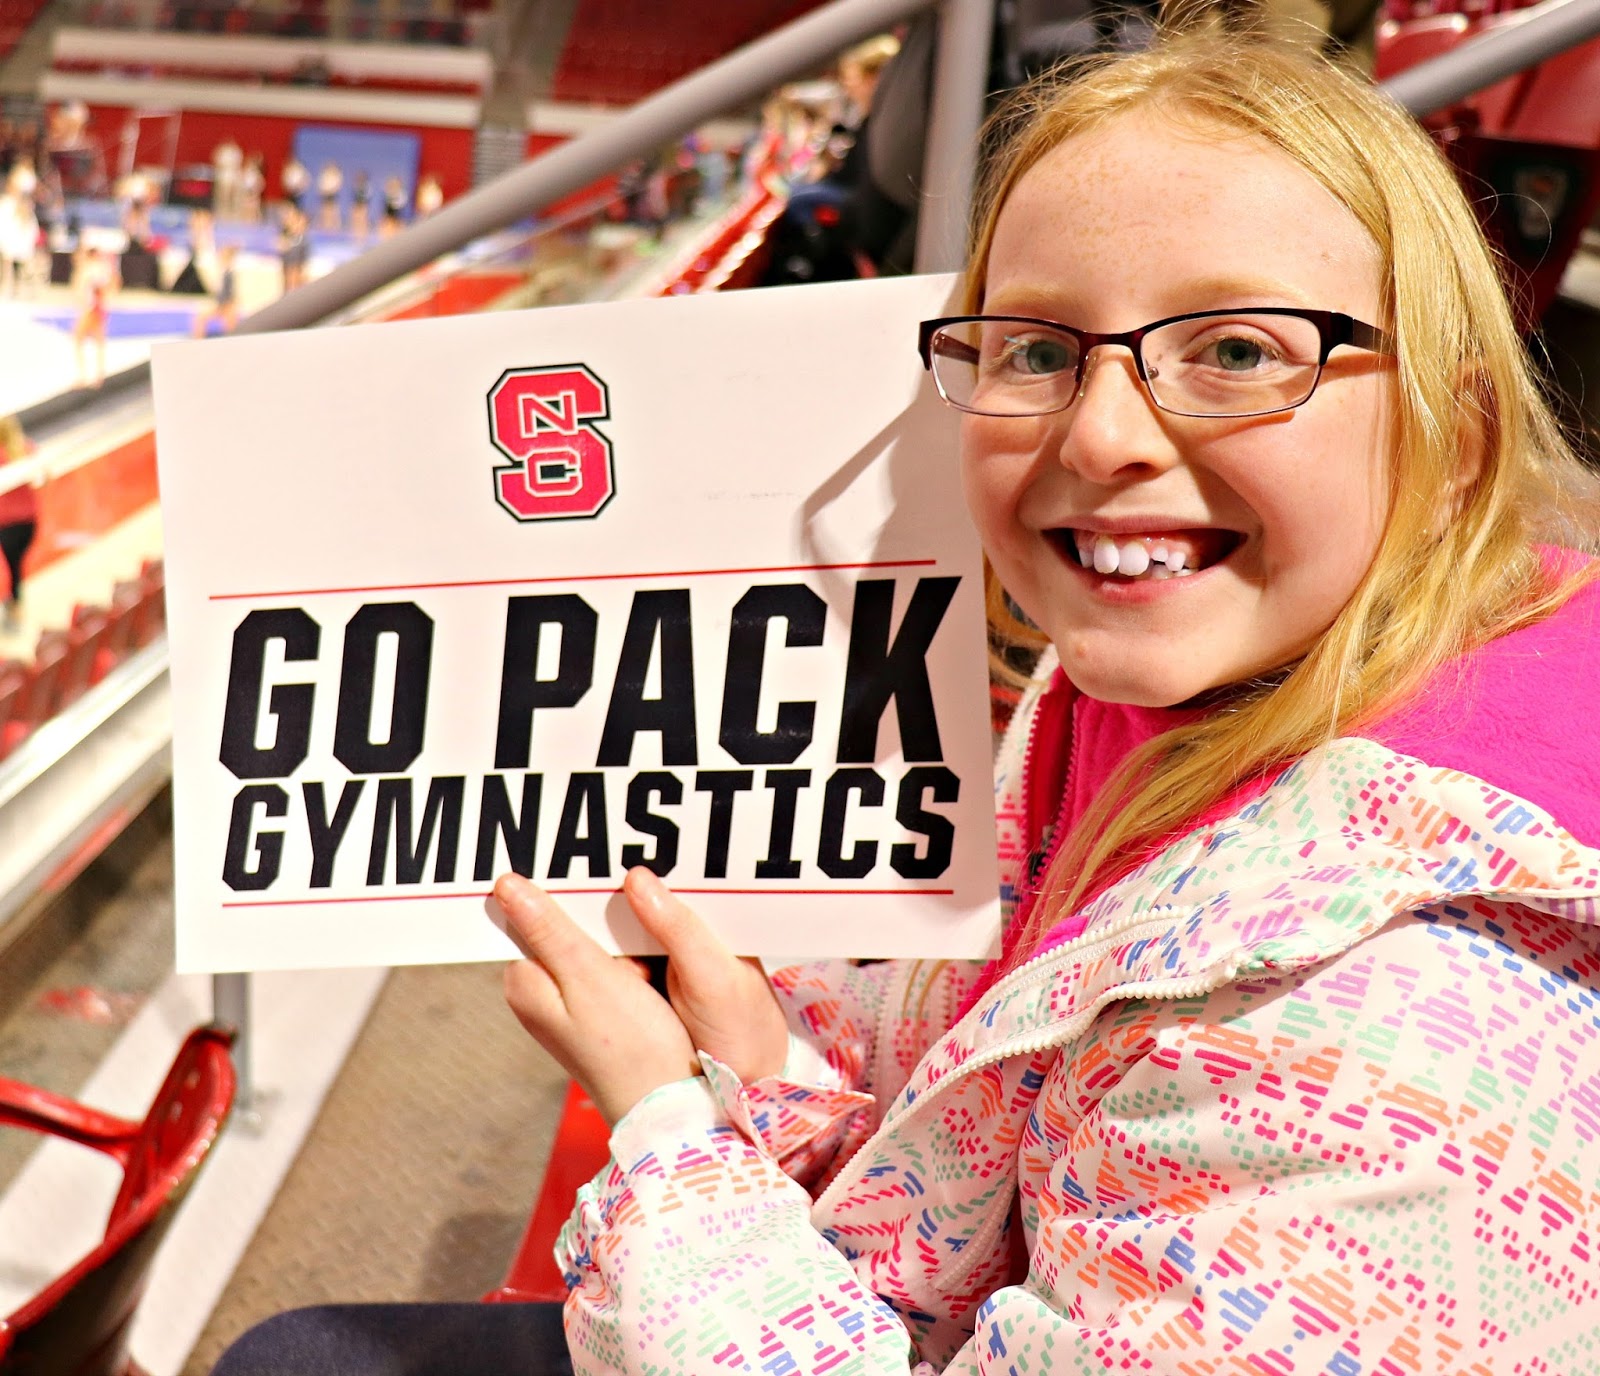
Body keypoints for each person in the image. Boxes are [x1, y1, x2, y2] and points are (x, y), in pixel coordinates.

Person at [492, 21, 1600, 1375]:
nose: (1102, 434)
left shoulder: (1410, 1050)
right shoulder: (1140, 687)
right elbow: (992, 1173)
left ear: (1456, 431)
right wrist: (770, 1079)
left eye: (1241, 351)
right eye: (1031, 352)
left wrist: (668, 1131)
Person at [0, 414, 38, 633]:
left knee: (12, 569)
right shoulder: (26, 448)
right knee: (15, 568)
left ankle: (13, 612)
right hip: (29, 521)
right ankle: (14, 608)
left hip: (7, 523)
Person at [72, 245, 119, 388]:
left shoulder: (92, 269)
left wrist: (93, 304)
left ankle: (84, 375)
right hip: (97, 307)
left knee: (79, 339)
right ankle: (98, 374)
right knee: (97, 340)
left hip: (92, 308)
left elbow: (101, 287)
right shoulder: (99, 268)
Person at [192, 242, 239, 337]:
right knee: (201, 318)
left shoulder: (228, 274)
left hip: (226, 306)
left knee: (229, 328)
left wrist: (223, 306)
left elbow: (228, 294)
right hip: (224, 304)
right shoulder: (225, 273)